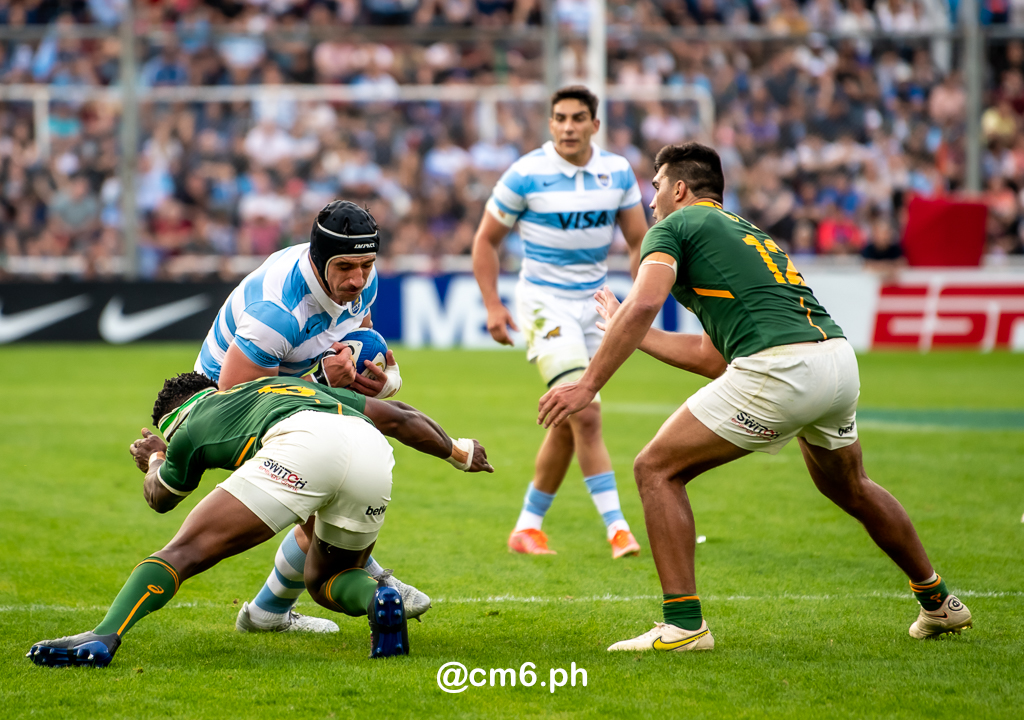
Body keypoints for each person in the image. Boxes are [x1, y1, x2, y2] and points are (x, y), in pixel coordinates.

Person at [538, 142, 972, 651]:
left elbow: (644, 304)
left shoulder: (673, 227)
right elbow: (710, 356)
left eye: (655, 187)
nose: (650, 198)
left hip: (781, 367)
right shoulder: (743, 231)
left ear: (679, 189)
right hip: (835, 360)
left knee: (655, 469)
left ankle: (683, 626)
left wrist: (588, 383)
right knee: (850, 485)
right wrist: (627, 331)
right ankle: (938, 601)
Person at [26, 373, 492, 668]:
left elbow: (161, 498)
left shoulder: (184, 427)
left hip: (303, 447)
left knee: (183, 553)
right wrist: (458, 453)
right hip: (370, 450)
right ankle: (378, 597)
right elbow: (399, 417)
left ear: (170, 419)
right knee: (329, 578)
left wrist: (155, 459)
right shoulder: (285, 385)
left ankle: (105, 635)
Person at [195, 199, 422, 634]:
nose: (358, 279)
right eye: (345, 268)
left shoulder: (360, 283)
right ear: (319, 261)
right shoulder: (276, 312)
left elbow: (358, 341)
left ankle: (267, 614)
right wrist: (322, 375)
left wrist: (375, 379)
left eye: (367, 265)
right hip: (222, 407)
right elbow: (241, 400)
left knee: (346, 471)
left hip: (290, 388)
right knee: (330, 479)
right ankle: (370, 579)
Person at [471, 85, 650, 558]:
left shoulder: (616, 172)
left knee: (568, 419)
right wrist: (493, 304)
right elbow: (485, 241)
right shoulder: (526, 173)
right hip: (543, 303)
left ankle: (527, 528)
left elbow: (639, 241)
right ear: (550, 124)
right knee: (585, 411)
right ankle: (618, 529)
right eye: (559, 118)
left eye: (577, 118)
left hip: (594, 304)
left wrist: (637, 296)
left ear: (595, 124)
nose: (568, 126)